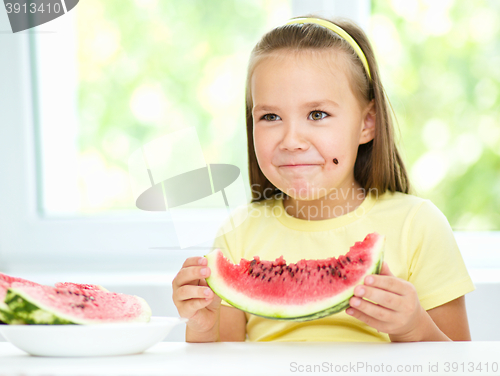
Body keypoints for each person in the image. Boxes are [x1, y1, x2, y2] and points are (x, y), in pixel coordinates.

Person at [172, 15, 475, 342]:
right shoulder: (238, 236)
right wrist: (202, 327)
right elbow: (221, 363)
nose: (291, 140)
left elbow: (459, 364)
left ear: (367, 123)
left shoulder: (418, 226)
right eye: (270, 116)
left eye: (317, 115)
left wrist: (413, 327)